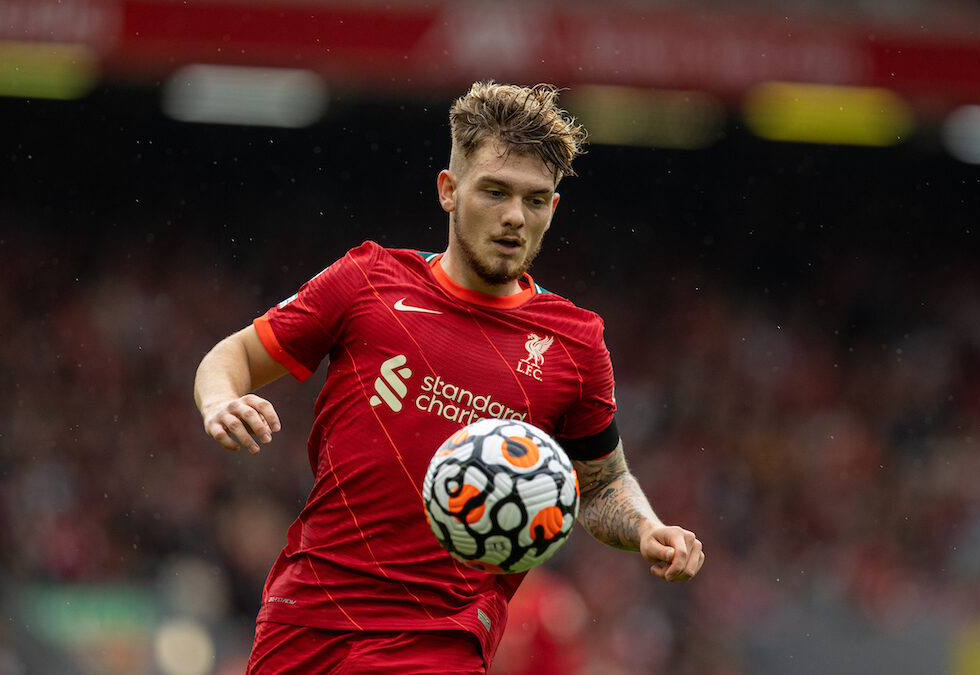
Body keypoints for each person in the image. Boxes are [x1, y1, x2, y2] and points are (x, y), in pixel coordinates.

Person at [194, 80, 704, 674]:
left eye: (536, 200)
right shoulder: (368, 282)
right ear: (449, 190)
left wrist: (646, 527)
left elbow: (599, 485)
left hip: (438, 639)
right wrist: (220, 400)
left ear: (553, 208)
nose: (515, 217)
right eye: (495, 191)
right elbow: (233, 356)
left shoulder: (575, 342)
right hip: (307, 615)